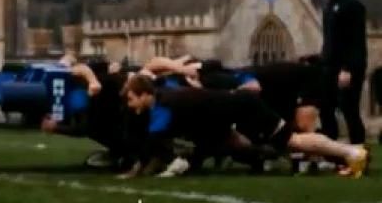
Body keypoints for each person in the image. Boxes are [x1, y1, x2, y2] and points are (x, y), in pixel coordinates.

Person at [120, 74, 369, 179]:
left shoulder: (163, 106)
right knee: (242, 146)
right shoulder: (165, 94)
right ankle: (344, 155)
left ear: (143, 95)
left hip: (244, 108)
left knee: (293, 141)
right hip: (231, 113)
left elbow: (152, 143)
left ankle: (352, 153)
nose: (130, 105)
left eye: (131, 99)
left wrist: (135, 172)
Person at [316, 0, 369, 151]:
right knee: (326, 107)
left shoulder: (352, 4)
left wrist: (347, 69)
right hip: (330, 65)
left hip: (348, 67)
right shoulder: (330, 5)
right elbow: (331, 38)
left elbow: (354, 40)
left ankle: (358, 152)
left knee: (349, 109)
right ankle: (331, 150)